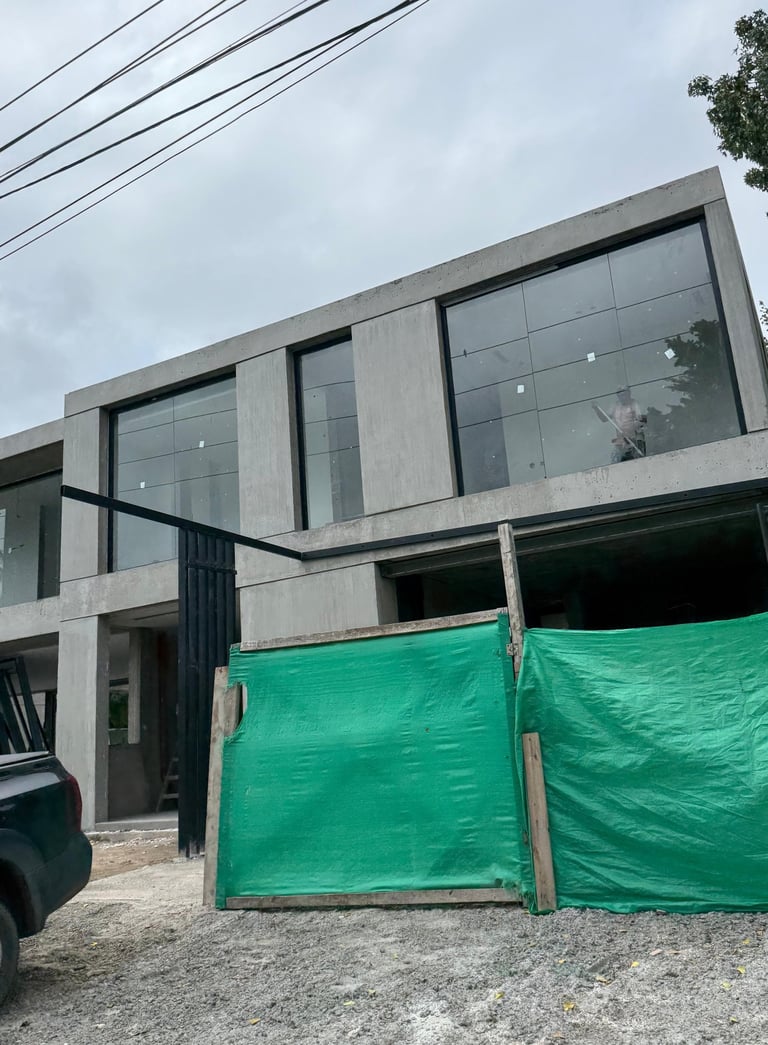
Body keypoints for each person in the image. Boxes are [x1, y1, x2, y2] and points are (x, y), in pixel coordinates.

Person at [593, 387, 647, 462]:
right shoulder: (615, 405)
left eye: (624, 394)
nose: (622, 397)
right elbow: (604, 419)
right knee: (615, 459)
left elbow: (641, 421)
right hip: (621, 441)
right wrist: (596, 409)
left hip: (635, 439)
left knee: (639, 459)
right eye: (620, 395)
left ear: (629, 394)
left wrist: (632, 428)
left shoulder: (635, 404)